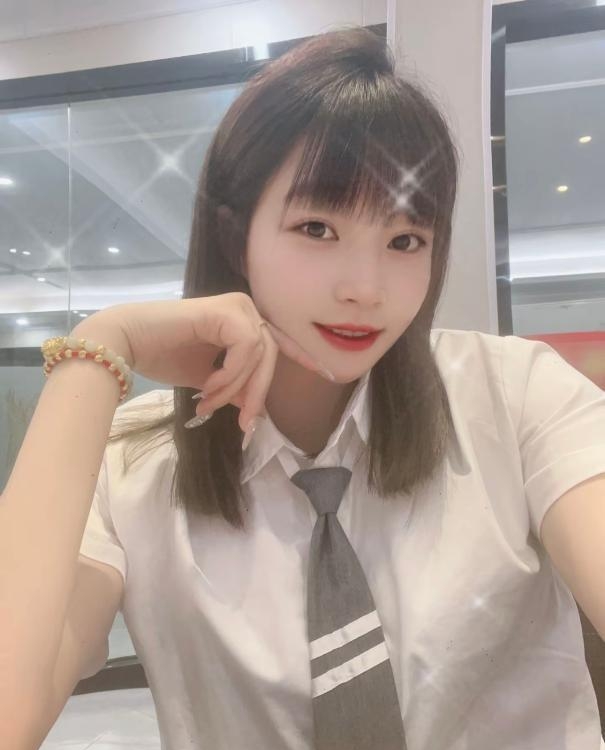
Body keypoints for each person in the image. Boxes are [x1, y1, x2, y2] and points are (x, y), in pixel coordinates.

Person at [2, 24, 604, 750]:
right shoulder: (133, 461)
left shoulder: (514, 395)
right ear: (235, 237)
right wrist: (100, 347)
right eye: (317, 228)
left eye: (405, 240)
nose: (365, 288)